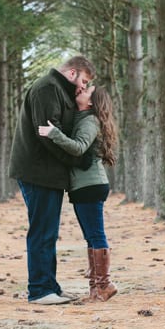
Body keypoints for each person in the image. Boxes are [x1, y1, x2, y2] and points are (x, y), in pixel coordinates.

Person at [9, 55, 96, 305]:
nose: (83, 87)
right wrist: (77, 160)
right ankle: (39, 290)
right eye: (84, 80)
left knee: (49, 232)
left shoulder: (58, 90)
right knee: (42, 231)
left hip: (49, 174)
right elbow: (47, 134)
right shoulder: (48, 88)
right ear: (72, 73)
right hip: (38, 173)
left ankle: (51, 287)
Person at [38, 85, 118, 302]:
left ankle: (104, 285)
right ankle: (96, 289)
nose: (79, 92)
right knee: (91, 237)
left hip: (90, 185)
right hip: (85, 186)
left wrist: (54, 133)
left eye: (84, 91)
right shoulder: (83, 118)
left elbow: (79, 147)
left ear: (91, 102)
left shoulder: (90, 121)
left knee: (95, 235)